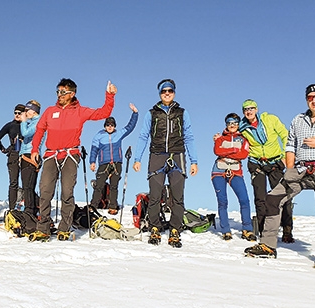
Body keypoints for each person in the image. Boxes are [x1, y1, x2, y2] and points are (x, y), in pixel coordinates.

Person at [245, 84, 315, 270]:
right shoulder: (298, 119)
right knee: (273, 199)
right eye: (310, 97)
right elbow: (290, 144)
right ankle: (267, 245)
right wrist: (290, 167)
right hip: (300, 169)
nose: (314, 100)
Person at [29, 78, 116, 242]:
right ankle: (43, 228)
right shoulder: (49, 111)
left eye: (63, 92)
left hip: (70, 154)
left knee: (67, 192)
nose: (59, 94)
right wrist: (35, 149)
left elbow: (103, 113)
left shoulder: (80, 111)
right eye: (58, 91)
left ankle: (64, 228)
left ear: (72, 93)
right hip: (51, 155)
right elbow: (40, 130)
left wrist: (109, 95)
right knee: (45, 190)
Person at [132, 79, 198, 248]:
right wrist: (137, 158)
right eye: (164, 91)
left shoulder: (182, 113)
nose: (167, 93)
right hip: (157, 155)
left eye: (170, 91)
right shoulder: (151, 113)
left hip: (177, 155)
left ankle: (175, 229)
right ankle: (154, 227)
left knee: (177, 196)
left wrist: (194, 161)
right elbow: (143, 136)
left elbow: (189, 136)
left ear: (174, 93)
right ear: (160, 94)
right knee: (155, 195)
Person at [238, 99, 294, 242]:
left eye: (251, 108)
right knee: (260, 198)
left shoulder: (270, 119)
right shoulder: (242, 127)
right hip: (256, 163)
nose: (249, 111)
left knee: (283, 196)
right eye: (246, 109)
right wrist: (219, 137)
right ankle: (264, 231)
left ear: (256, 109)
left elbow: (285, 135)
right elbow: (231, 134)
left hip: (275, 162)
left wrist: (285, 156)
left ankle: (287, 230)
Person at [89, 103, 139, 214]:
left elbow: (130, 127)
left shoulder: (119, 134)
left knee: (114, 186)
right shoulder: (99, 135)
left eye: (112, 125)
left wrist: (135, 113)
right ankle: (93, 205)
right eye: (108, 125)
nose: (110, 127)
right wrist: (92, 162)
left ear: (114, 126)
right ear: (105, 126)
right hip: (104, 163)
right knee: (99, 185)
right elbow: (94, 150)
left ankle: (113, 206)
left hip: (117, 163)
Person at [211, 113, 254, 241]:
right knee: (222, 201)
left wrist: (227, 152)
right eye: (229, 123)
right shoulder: (220, 138)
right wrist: (234, 150)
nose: (232, 125)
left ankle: (247, 229)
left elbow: (243, 154)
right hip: (218, 171)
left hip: (236, 171)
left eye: (235, 123)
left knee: (244, 199)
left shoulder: (243, 139)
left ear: (238, 124)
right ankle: (226, 231)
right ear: (226, 124)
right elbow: (217, 151)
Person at [0, 104, 27, 210]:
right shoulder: (10, 125)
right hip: (13, 154)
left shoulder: (28, 125)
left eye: (19, 113)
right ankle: (12, 208)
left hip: (26, 154)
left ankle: (28, 206)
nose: (17, 115)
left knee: (27, 182)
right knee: (13, 182)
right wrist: (3, 149)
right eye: (15, 113)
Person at [19, 100, 42, 217]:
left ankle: (30, 211)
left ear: (34, 111)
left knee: (28, 186)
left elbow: (26, 133)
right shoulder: (32, 122)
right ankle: (31, 209)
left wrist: (23, 121)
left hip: (31, 155)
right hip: (26, 154)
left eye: (27, 110)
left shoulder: (38, 122)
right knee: (27, 186)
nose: (25, 113)